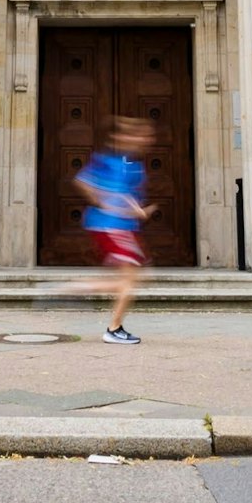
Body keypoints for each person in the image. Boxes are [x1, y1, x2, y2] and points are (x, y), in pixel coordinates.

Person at [73, 115, 157, 345]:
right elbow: (83, 181)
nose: (144, 140)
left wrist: (137, 211)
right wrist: (104, 202)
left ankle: (81, 291)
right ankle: (112, 327)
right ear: (121, 137)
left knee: (132, 278)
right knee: (130, 279)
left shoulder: (134, 165)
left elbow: (126, 198)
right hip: (110, 226)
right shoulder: (107, 160)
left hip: (122, 227)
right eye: (139, 135)